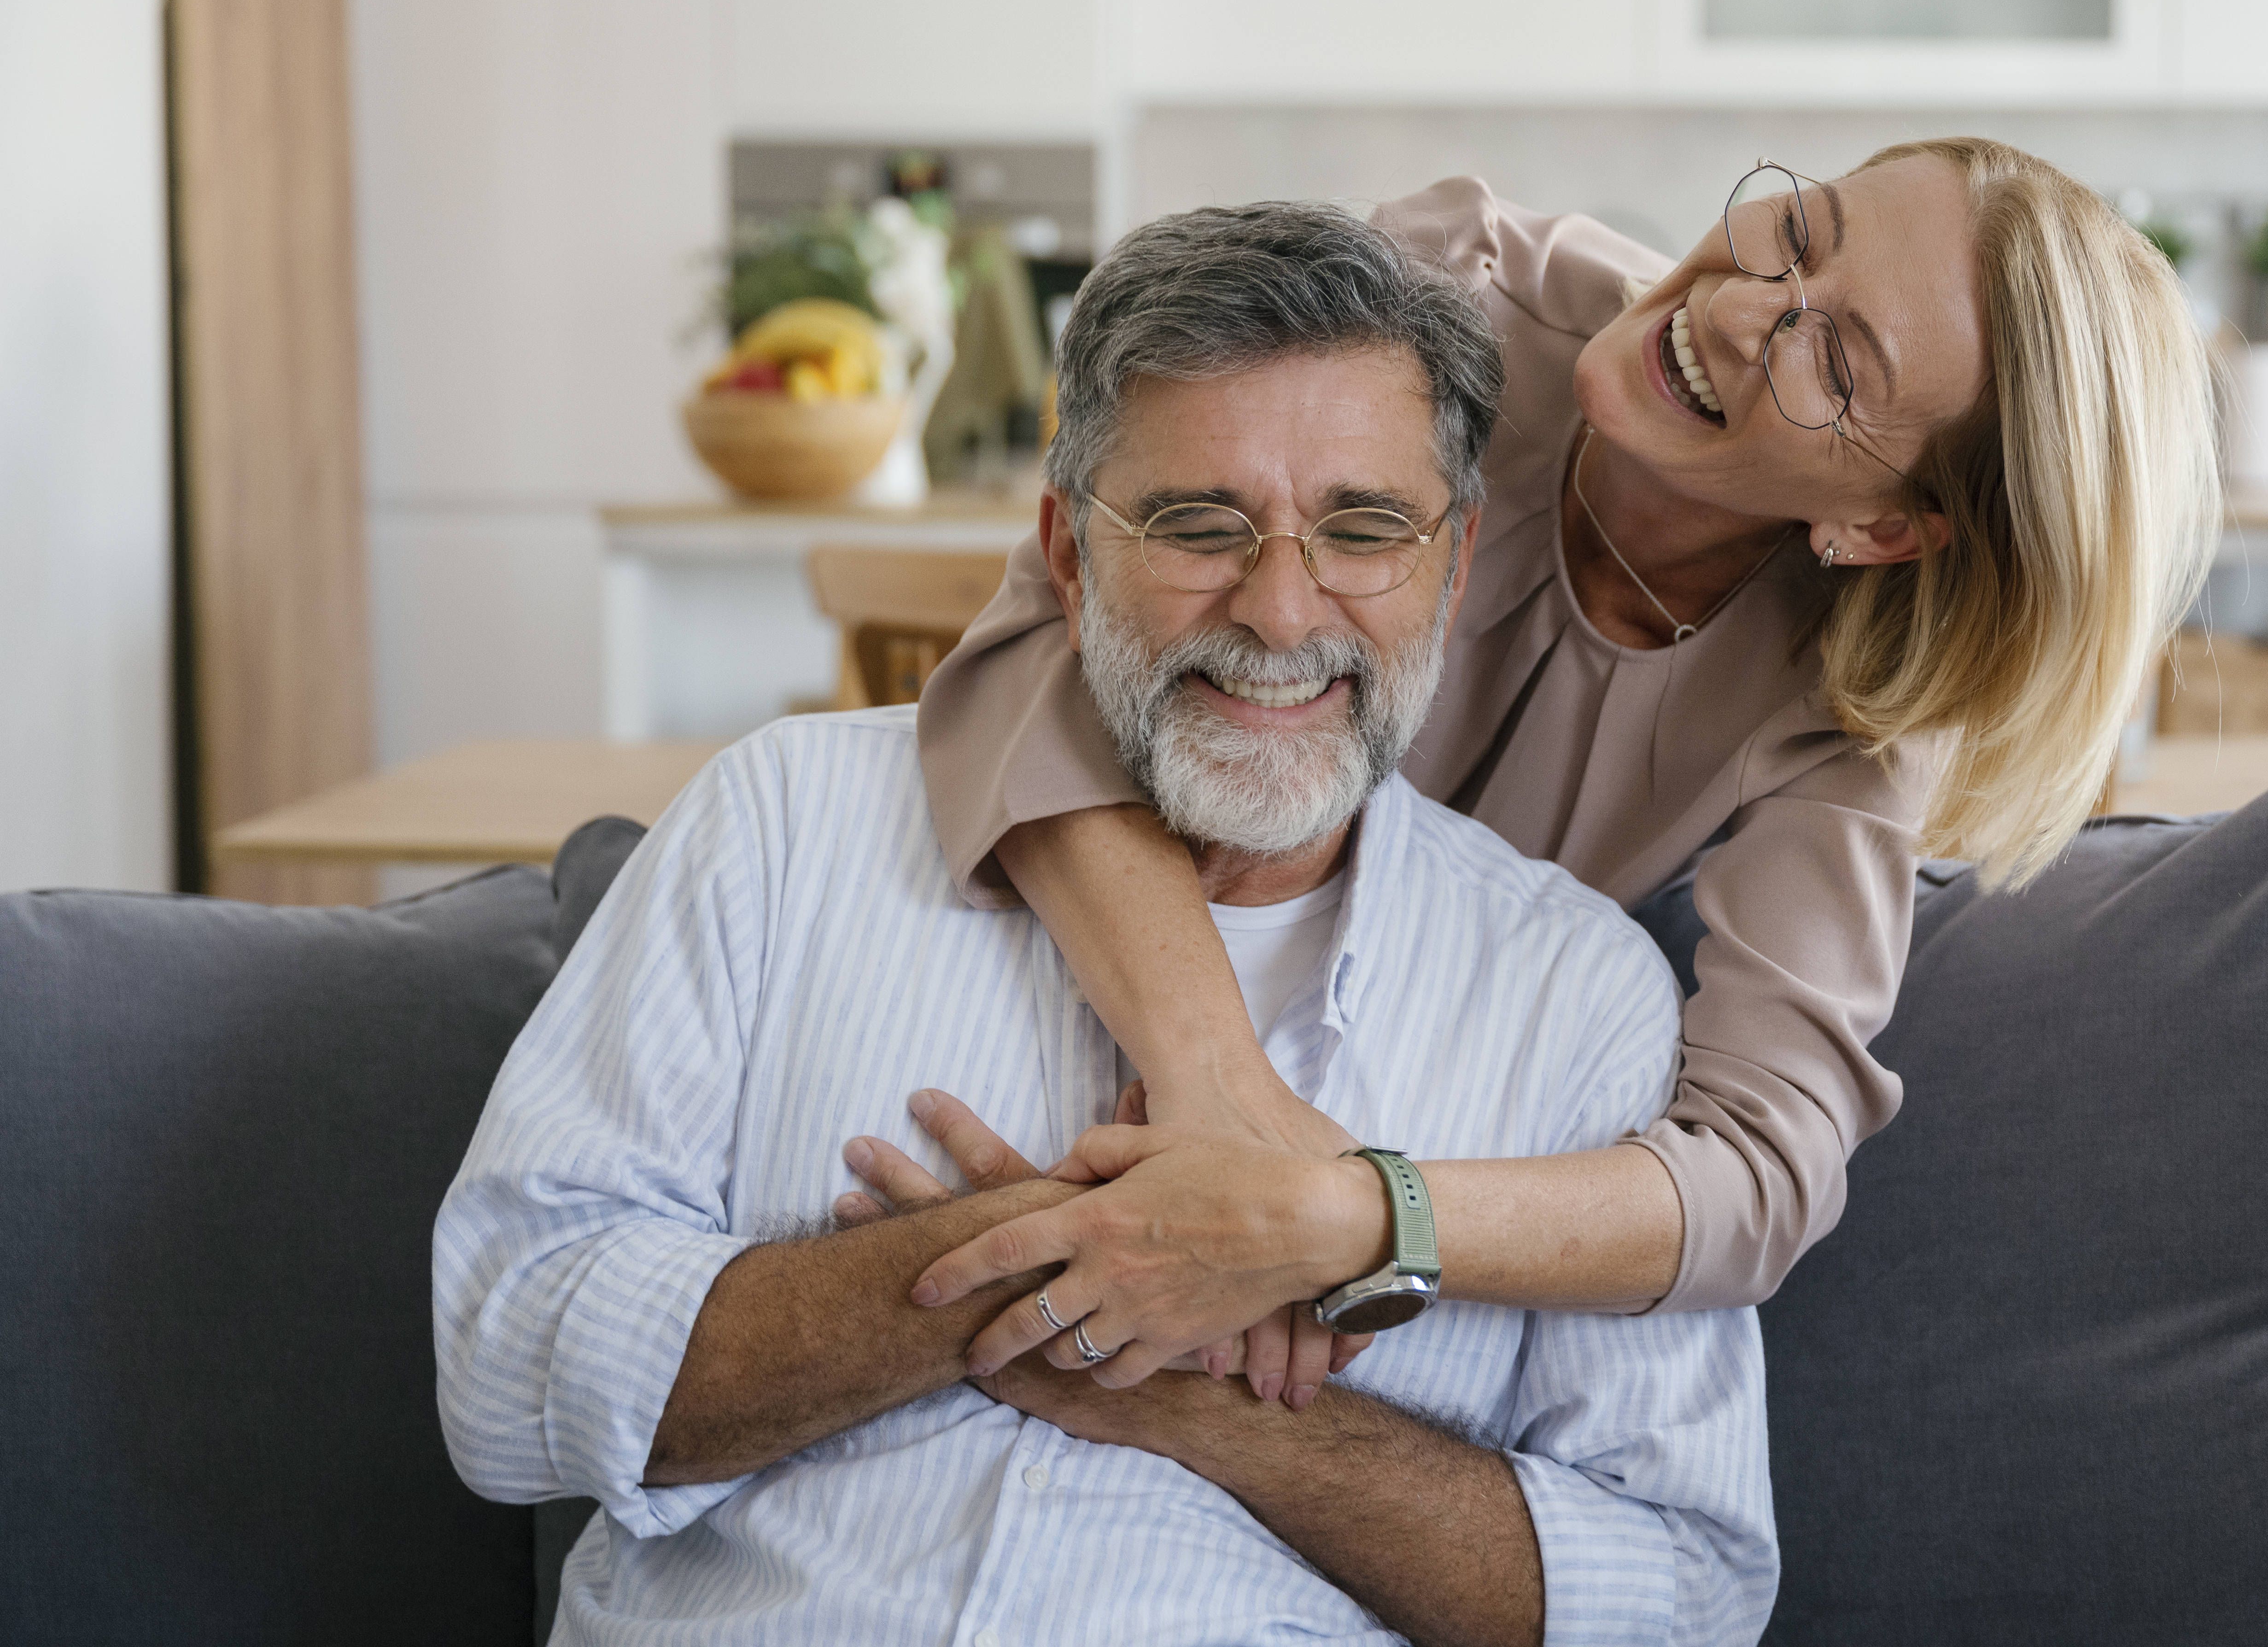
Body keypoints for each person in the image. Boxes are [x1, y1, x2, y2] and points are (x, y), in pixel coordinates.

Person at [433, 201, 1776, 1647]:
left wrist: (1201, 1400)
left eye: (1364, 528)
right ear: (1067, 557)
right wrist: (1034, 1261)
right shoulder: (782, 823)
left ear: (1452, 568)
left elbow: (1679, 1597)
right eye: (1199, 524)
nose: (1278, 610)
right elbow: (505, 1373)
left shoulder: (1576, 994)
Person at [900, 140, 2224, 1398]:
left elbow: (1760, 1170)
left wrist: (1344, 1216)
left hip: (1403, 1137)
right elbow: (1046, 640)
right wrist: (1217, 1088)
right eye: (1796, 231)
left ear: (1884, 526)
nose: (1740, 307)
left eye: (1837, 359)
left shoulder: (1850, 711)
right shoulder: (1441, 300)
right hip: (1127, 1017)